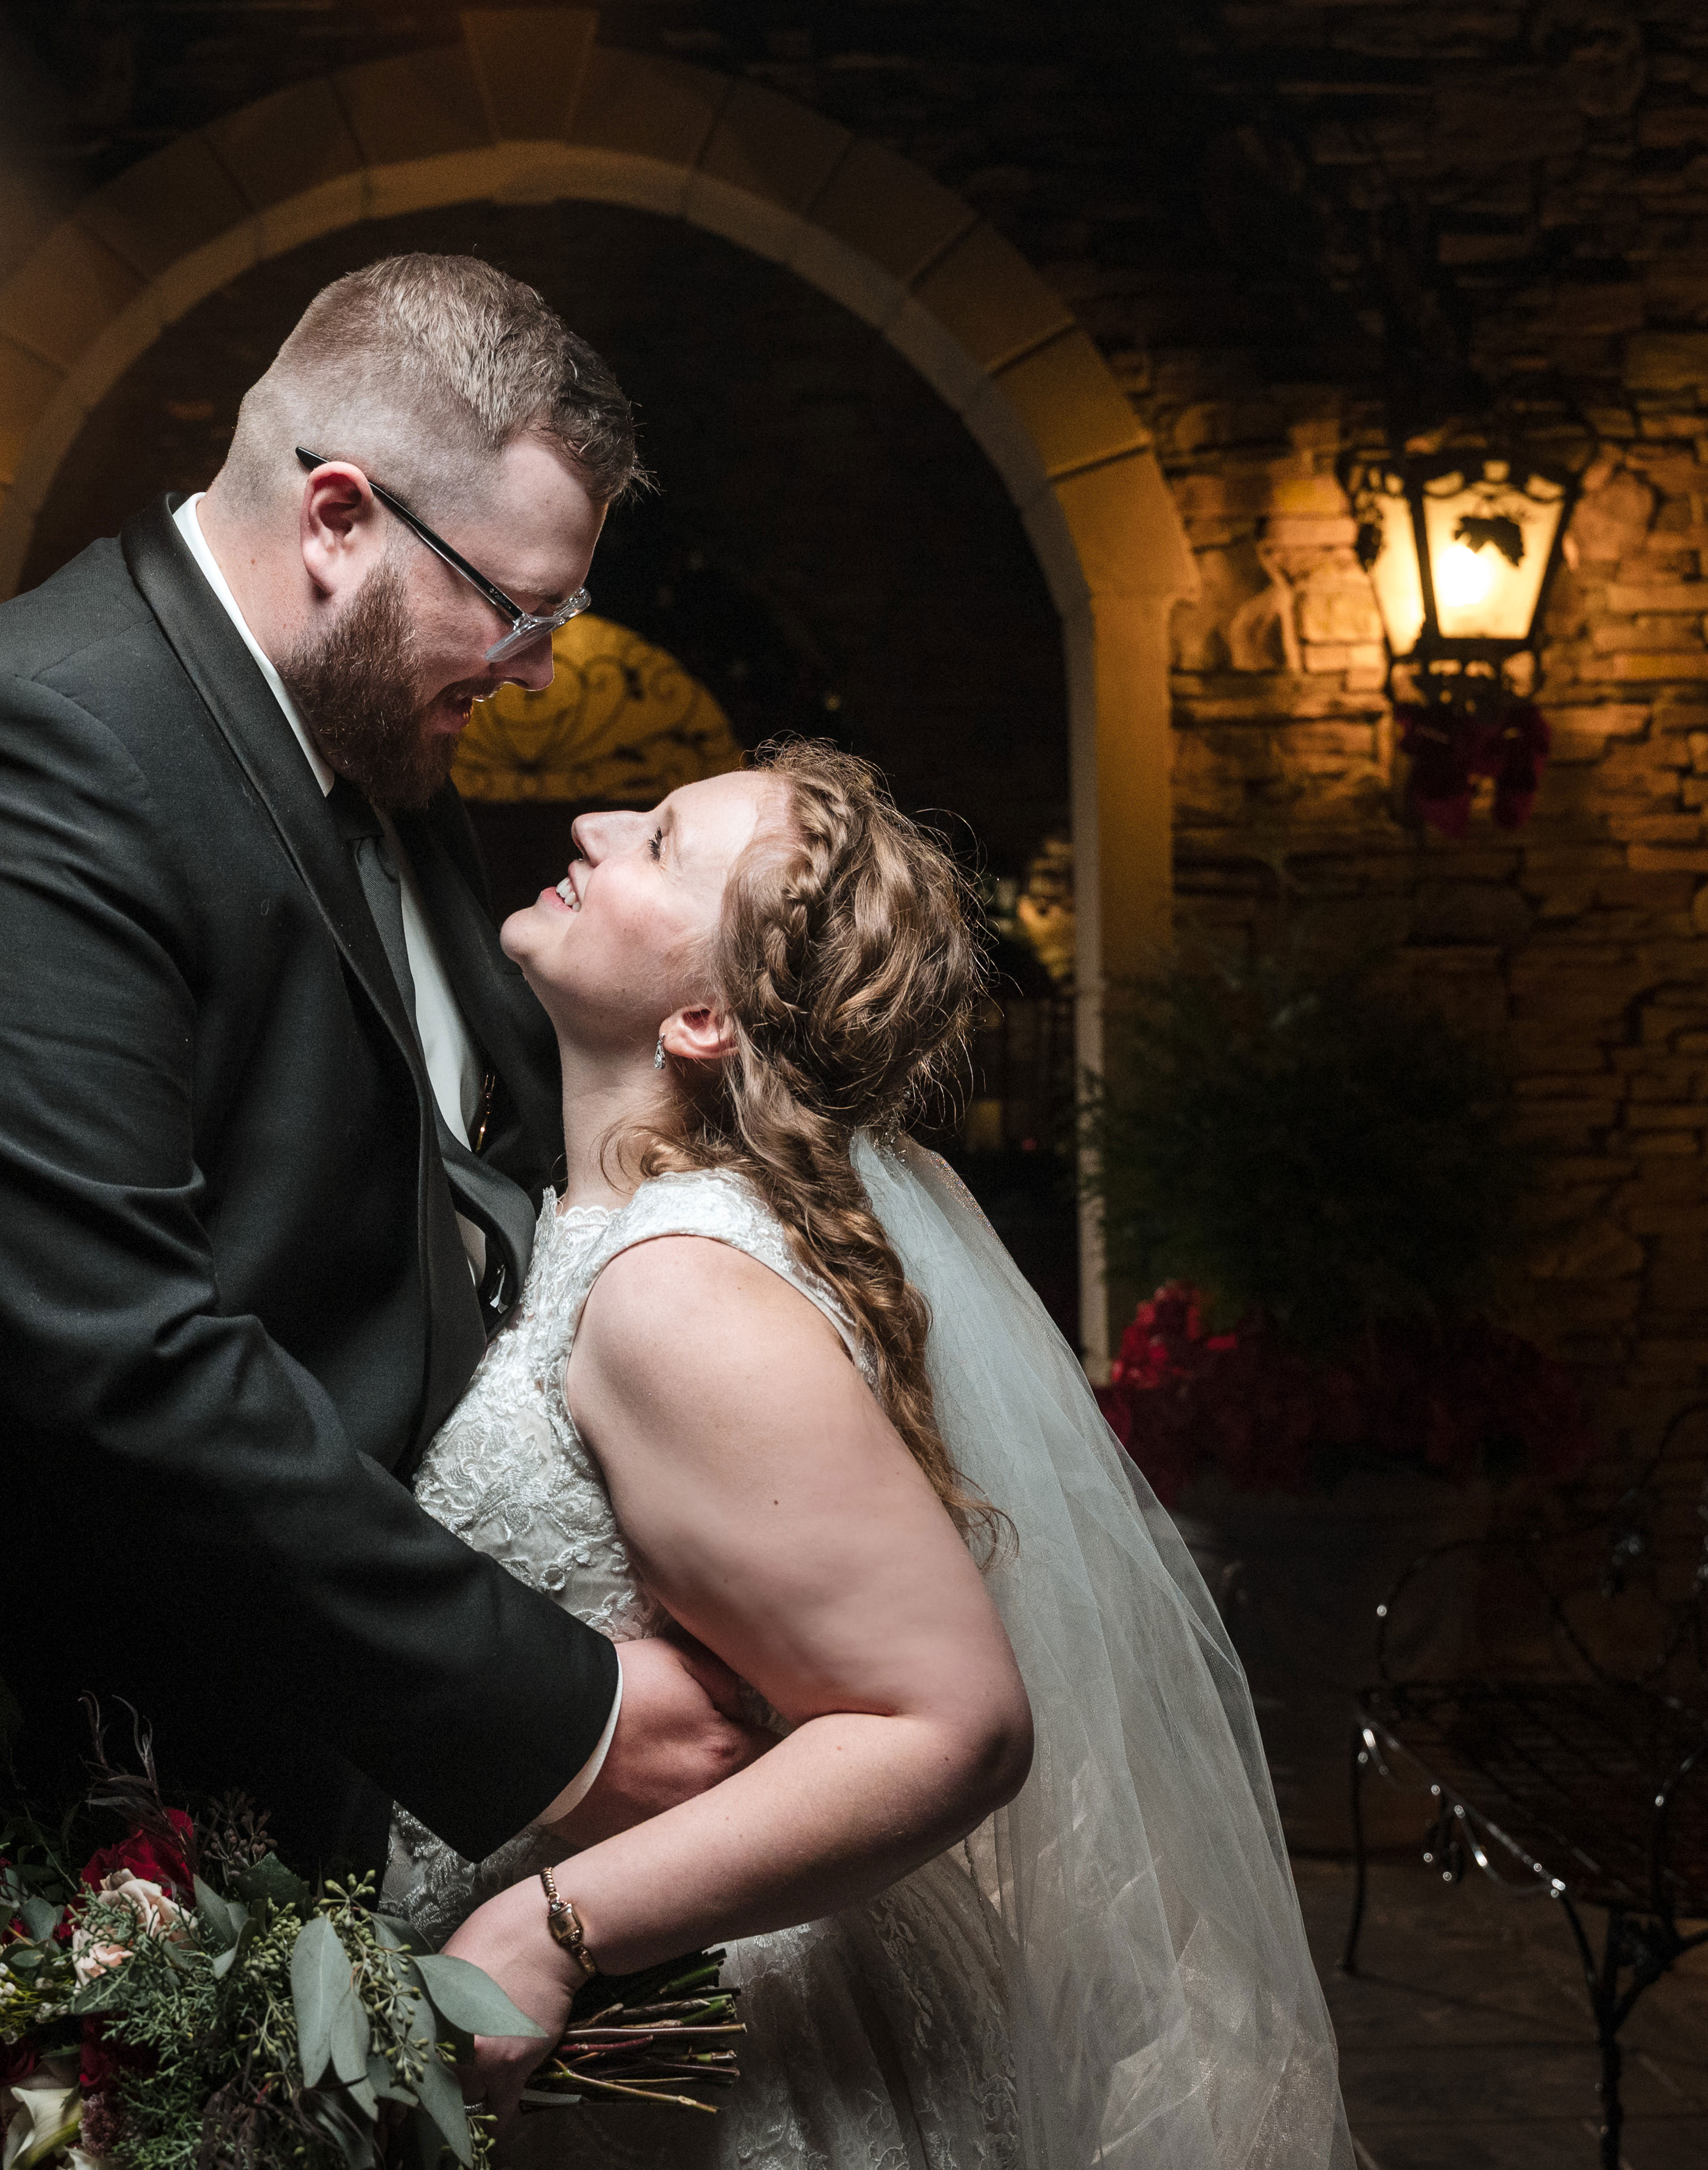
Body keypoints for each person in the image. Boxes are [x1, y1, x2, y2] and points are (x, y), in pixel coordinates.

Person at [0, 256, 767, 2167]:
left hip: (234, 1763)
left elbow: (439, 1197)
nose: (541, 662)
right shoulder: (17, 760)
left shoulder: (368, 742)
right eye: (519, 606)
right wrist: (559, 1707)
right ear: (334, 519)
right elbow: (122, 1360)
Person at [384, 742, 1357, 2166]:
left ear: (707, 1017)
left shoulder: (674, 1291)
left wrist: (550, 1929)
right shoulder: (609, 1234)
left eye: (656, 843)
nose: (591, 828)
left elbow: (953, 1723)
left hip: (696, 2059)